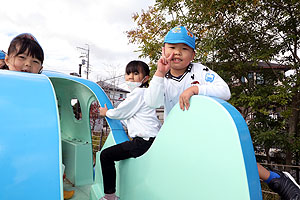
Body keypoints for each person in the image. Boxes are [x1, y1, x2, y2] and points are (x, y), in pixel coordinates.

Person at [144, 25, 300, 200]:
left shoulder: (199, 71)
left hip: (204, 131)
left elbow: (225, 91)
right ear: (164, 50)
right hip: (177, 137)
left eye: (184, 49)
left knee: (234, 159)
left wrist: (195, 89)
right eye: (172, 48)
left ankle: (277, 179)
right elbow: (152, 102)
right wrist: (158, 72)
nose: (178, 52)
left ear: (193, 55)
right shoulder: (161, 77)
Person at [3, 33, 75, 200]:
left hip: (31, 144)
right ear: (7, 59)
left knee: (53, 167)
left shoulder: (40, 90)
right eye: (22, 57)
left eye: (35, 62)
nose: (28, 64)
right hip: (7, 146)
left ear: (40, 68)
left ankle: (56, 188)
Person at [98, 60, 162, 200]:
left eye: (136, 73)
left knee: (105, 155)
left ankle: (110, 196)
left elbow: (120, 112)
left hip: (143, 142)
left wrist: (106, 112)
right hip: (151, 140)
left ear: (145, 78)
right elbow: (128, 118)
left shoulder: (139, 93)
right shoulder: (145, 94)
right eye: (128, 73)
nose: (131, 77)